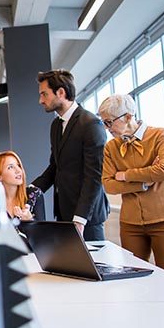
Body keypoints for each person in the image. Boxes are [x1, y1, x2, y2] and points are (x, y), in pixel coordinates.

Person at [98, 94, 164, 271]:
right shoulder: (111, 147)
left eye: (109, 122)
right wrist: (143, 182)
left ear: (128, 117)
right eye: (104, 123)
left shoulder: (160, 135)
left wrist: (124, 175)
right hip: (131, 223)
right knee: (132, 276)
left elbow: (163, 171)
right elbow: (108, 184)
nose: (107, 128)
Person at [32, 69, 109, 241]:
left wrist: (81, 218)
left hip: (86, 218)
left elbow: (94, 176)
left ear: (61, 92)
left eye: (44, 94)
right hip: (64, 214)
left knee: (93, 266)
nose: (40, 100)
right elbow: (55, 167)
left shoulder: (91, 124)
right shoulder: (56, 125)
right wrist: (30, 191)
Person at [0, 151, 44, 222]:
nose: (18, 170)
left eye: (18, 165)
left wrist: (30, 220)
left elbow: (43, 231)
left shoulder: (34, 194)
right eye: (10, 167)